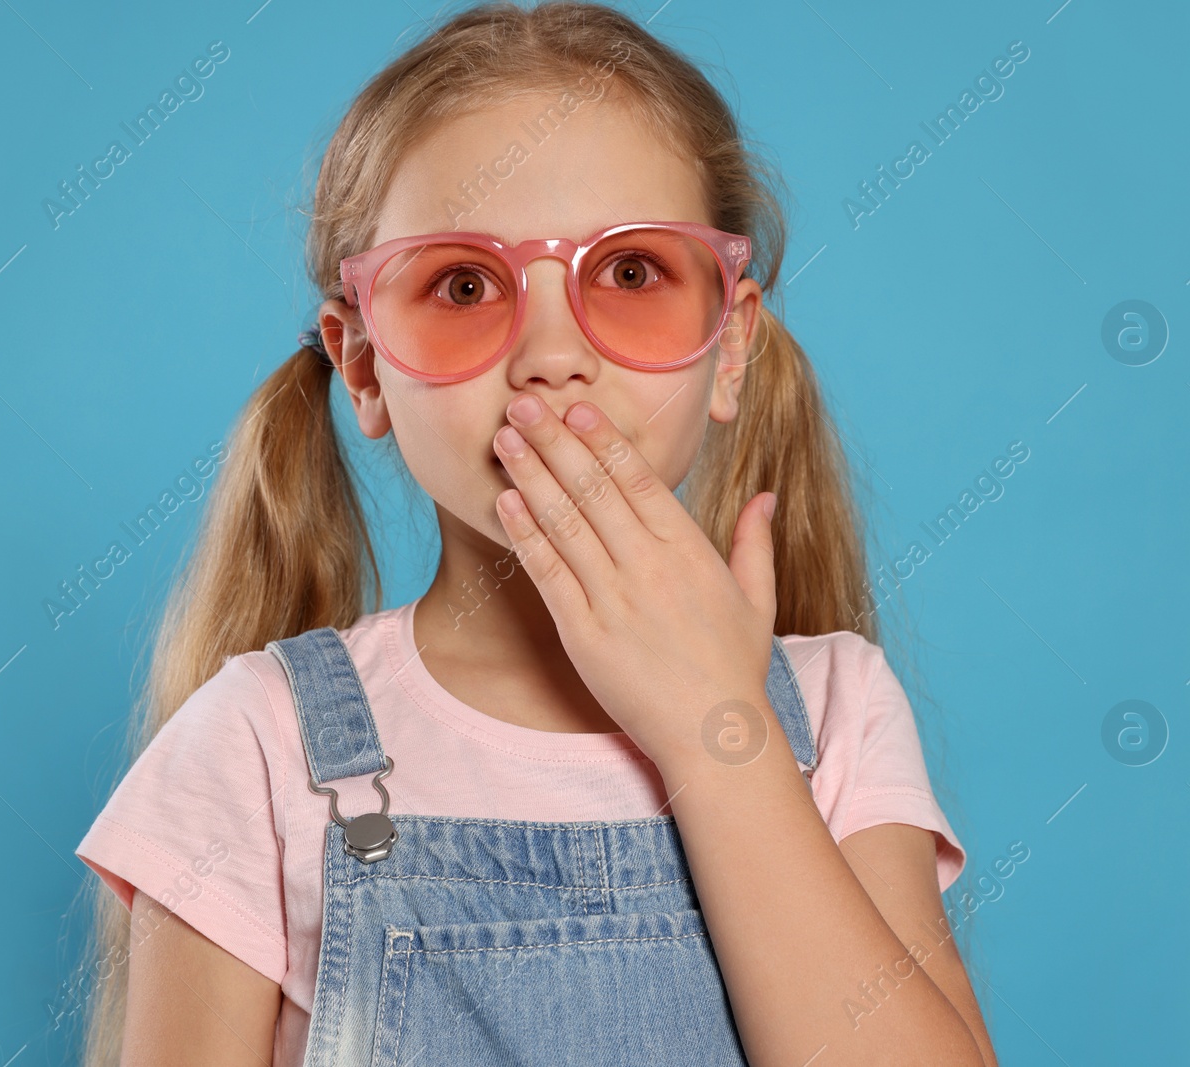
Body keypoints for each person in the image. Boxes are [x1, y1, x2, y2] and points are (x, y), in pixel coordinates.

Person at [71, 3, 998, 1064]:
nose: (551, 356)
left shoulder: (833, 717)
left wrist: (717, 730)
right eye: (464, 285)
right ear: (365, 364)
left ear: (729, 342)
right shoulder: (256, 745)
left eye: (630, 273)